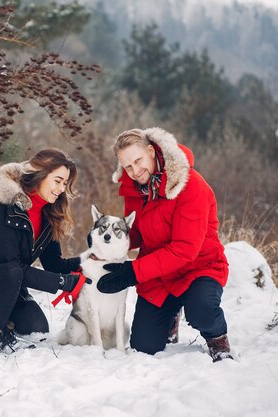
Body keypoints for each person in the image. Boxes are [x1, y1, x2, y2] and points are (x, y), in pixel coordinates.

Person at [97, 127, 232, 362]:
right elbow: (137, 232)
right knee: (143, 346)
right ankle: (171, 317)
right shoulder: (134, 187)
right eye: (128, 166)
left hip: (199, 268)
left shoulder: (190, 185)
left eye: (138, 161)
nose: (135, 171)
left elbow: (185, 250)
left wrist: (132, 272)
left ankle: (217, 338)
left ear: (151, 151)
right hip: (159, 276)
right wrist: (107, 245)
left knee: (201, 311)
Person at [0, 149, 90, 351]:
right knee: (12, 270)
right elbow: (11, 266)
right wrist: (65, 283)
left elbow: (54, 264)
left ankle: (0, 314)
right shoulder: (5, 209)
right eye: (57, 181)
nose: (62, 188)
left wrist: (89, 260)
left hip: (10, 286)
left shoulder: (48, 216)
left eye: (65, 183)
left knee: (37, 330)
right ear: (40, 175)